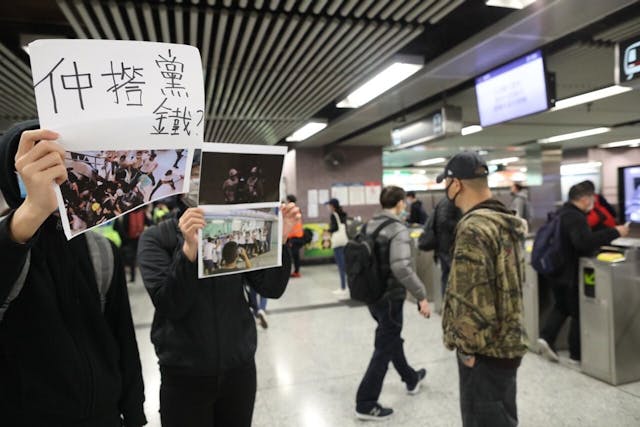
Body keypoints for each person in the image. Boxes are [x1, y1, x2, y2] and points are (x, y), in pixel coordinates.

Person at [0, 121, 146, 427]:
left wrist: (134, 414)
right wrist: (30, 213)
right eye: (34, 163)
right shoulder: (8, 245)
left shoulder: (100, 250)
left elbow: (123, 340)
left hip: (105, 416)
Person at [137, 191, 301, 427]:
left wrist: (280, 240)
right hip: (184, 374)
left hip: (239, 369)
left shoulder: (233, 228)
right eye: (195, 172)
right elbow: (169, 305)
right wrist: (189, 251)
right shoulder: (156, 237)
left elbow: (271, 288)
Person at [438, 152, 528, 427]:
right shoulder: (503, 219)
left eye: (446, 182)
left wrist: (467, 350)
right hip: (508, 341)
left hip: (484, 353)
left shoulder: (473, 228)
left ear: (457, 184)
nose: (445, 189)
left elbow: (471, 297)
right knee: (502, 416)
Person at [355, 186, 431, 421]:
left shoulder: (369, 225)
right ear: (399, 203)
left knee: (391, 337)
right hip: (390, 298)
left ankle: (410, 378)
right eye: (403, 202)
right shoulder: (397, 229)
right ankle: (366, 402)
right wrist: (421, 294)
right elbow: (401, 266)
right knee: (384, 346)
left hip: (373, 295)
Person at [538, 182, 628, 364]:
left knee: (562, 306)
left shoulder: (562, 213)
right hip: (569, 272)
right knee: (578, 312)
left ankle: (546, 337)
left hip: (556, 270)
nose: (592, 202)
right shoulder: (575, 216)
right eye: (592, 198)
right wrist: (615, 232)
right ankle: (576, 354)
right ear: (585, 198)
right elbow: (584, 243)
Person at [418, 197, 462, 295]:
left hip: (445, 247)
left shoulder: (445, 202)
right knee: (450, 278)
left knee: (447, 277)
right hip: (447, 248)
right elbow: (444, 221)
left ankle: (447, 304)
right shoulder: (449, 202)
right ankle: (448, 305)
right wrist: (463, 224)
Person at [327, 198, 348, 295]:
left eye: (329, 205)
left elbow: (335, 228)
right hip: (344, 241)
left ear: (332, 206)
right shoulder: (343, 214)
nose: (328, 207)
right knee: (345, 265)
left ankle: (343, 287)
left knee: (341, 266)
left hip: (337, 242)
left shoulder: (333, 215)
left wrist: (328, 230)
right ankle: (348, 286)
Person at [286, 194, 305, 278]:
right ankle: (296, 271)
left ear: (289, 200)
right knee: (295, 255)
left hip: (293, 236)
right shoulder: (298, 209)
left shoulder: (292, 210)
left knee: (293, 255)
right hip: (298, 235)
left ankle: (296, 271)